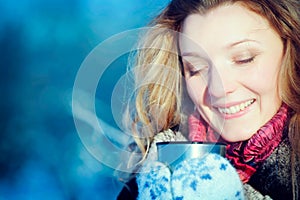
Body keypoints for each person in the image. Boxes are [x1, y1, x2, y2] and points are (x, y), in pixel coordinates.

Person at [117, 0, 300, 199]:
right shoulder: (155, 175)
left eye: (243, 59)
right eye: (195, 69)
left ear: (290, 52)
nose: (218, 90)